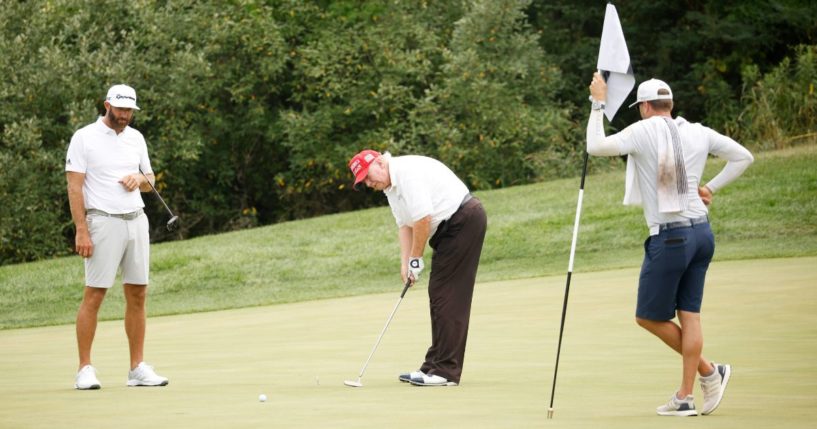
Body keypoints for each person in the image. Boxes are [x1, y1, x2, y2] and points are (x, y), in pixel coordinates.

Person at [586, 73, 753, 416]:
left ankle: (708, 372)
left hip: (671, 236)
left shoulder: (643, 130)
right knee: (689, 314)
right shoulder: (697, 130)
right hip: (702, 235)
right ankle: (687, 395)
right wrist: (711, 187)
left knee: (647, 317)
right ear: (671, 105)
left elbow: (595, 146)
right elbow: (743, 157)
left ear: (645, 107)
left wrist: (597, 102)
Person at [348, 150, 487, 386]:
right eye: (364, 182)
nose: (370, 184)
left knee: (447, 295)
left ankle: (446, 372)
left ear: (380, 162)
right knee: (439, 294)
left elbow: (423, 218)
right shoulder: (390, 189)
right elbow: (405, 225)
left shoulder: (406, 173)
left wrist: (416, 259)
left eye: (369, 177)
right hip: (450, 230)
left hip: (463, 220)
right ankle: (433, 365)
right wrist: (406, 264)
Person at [65, 84, 169, 390]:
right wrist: (81, 229)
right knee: (95, 294)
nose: (125, 116)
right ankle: (84, 368)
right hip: (102, 221)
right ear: (107, 104)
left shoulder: (136, 138)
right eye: (120, 109)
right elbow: (74, 187)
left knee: (138, 293)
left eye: (130, 111)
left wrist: (140, 178)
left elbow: (150, 181)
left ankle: (136, 368)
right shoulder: (84, 138)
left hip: (136, 221)